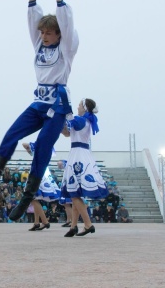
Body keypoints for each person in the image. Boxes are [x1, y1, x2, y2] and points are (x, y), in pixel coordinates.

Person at [0, 0, 79, 224]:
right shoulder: (39, 45)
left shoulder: (66, 49)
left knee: (42, 148)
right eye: (42, 32)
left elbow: (67, 23)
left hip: (57, 106)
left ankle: (27, 196)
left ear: (59, 34)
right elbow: (33, 21)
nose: (44, 36)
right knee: (12, 134)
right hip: (38, 103)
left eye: (49, 32)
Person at [61, 98, 108, 237]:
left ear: (85, 108)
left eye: (79, 105)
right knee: (76, 193)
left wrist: (63, 116)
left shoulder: (81, 120)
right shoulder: (86, 120)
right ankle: (73, 226)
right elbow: (67, 133)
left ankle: (88, 224)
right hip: (83, 154)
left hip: (78, 155)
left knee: (74, 193)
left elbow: (71, 125)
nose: (77, 107)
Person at [21, 142, 61, 231]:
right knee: (35, 198)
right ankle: (36, 222)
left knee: (33, 198)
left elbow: (24, 144)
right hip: (42, 171)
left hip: (38, 173)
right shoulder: (46, 148)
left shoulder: (41, 147)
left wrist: (35, 144)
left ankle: (45, 221)